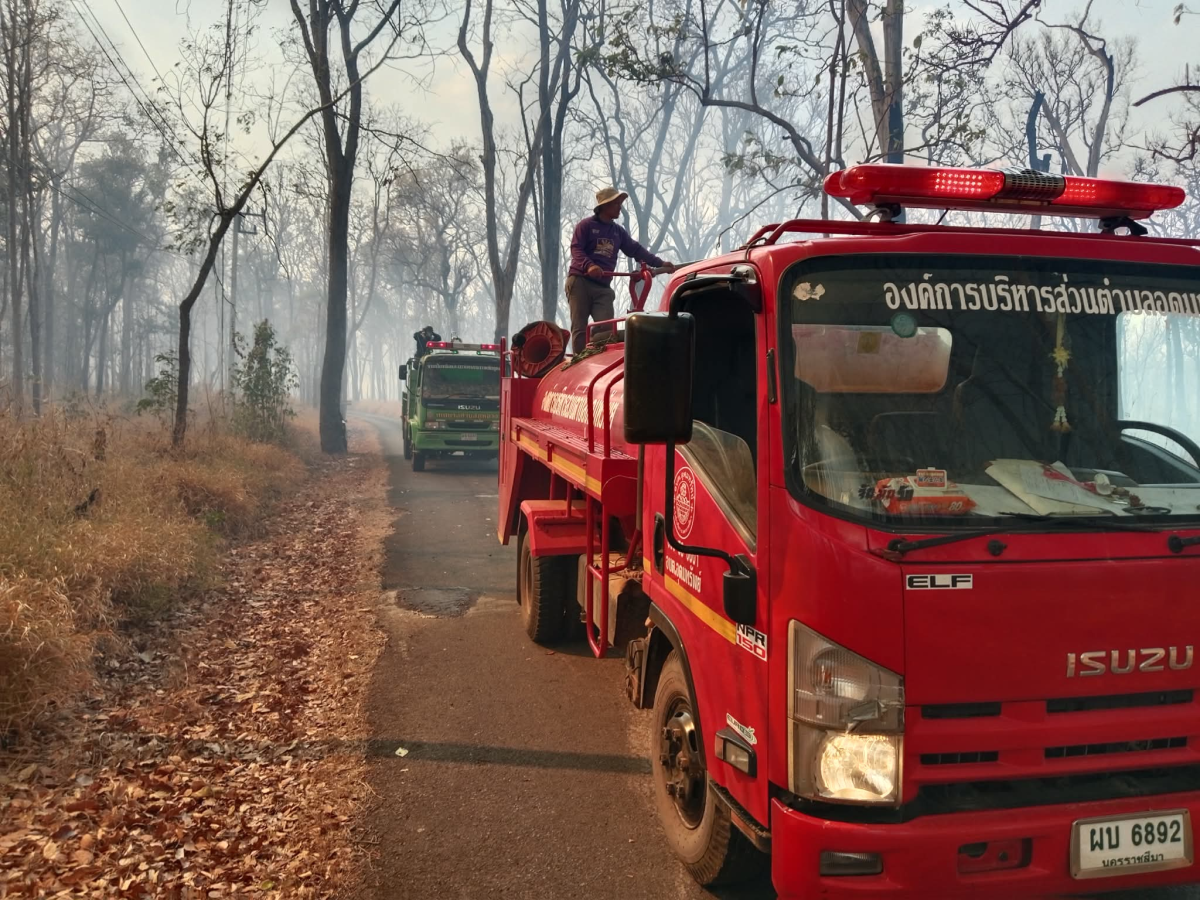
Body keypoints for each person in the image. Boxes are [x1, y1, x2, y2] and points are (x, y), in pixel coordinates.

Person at [566, 187, 676, 354]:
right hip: (581, 281)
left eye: (620, 203)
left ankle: (595, 357)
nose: (620, 207)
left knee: (606, 330)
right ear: (605, 206)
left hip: (603, 287)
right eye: (616, 204)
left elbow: (636, 250)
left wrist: (659, 263)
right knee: (580, 327)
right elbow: (577, 250)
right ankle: (577, 361)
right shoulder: (586, 226)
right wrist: (589, 266)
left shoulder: (618, 232)